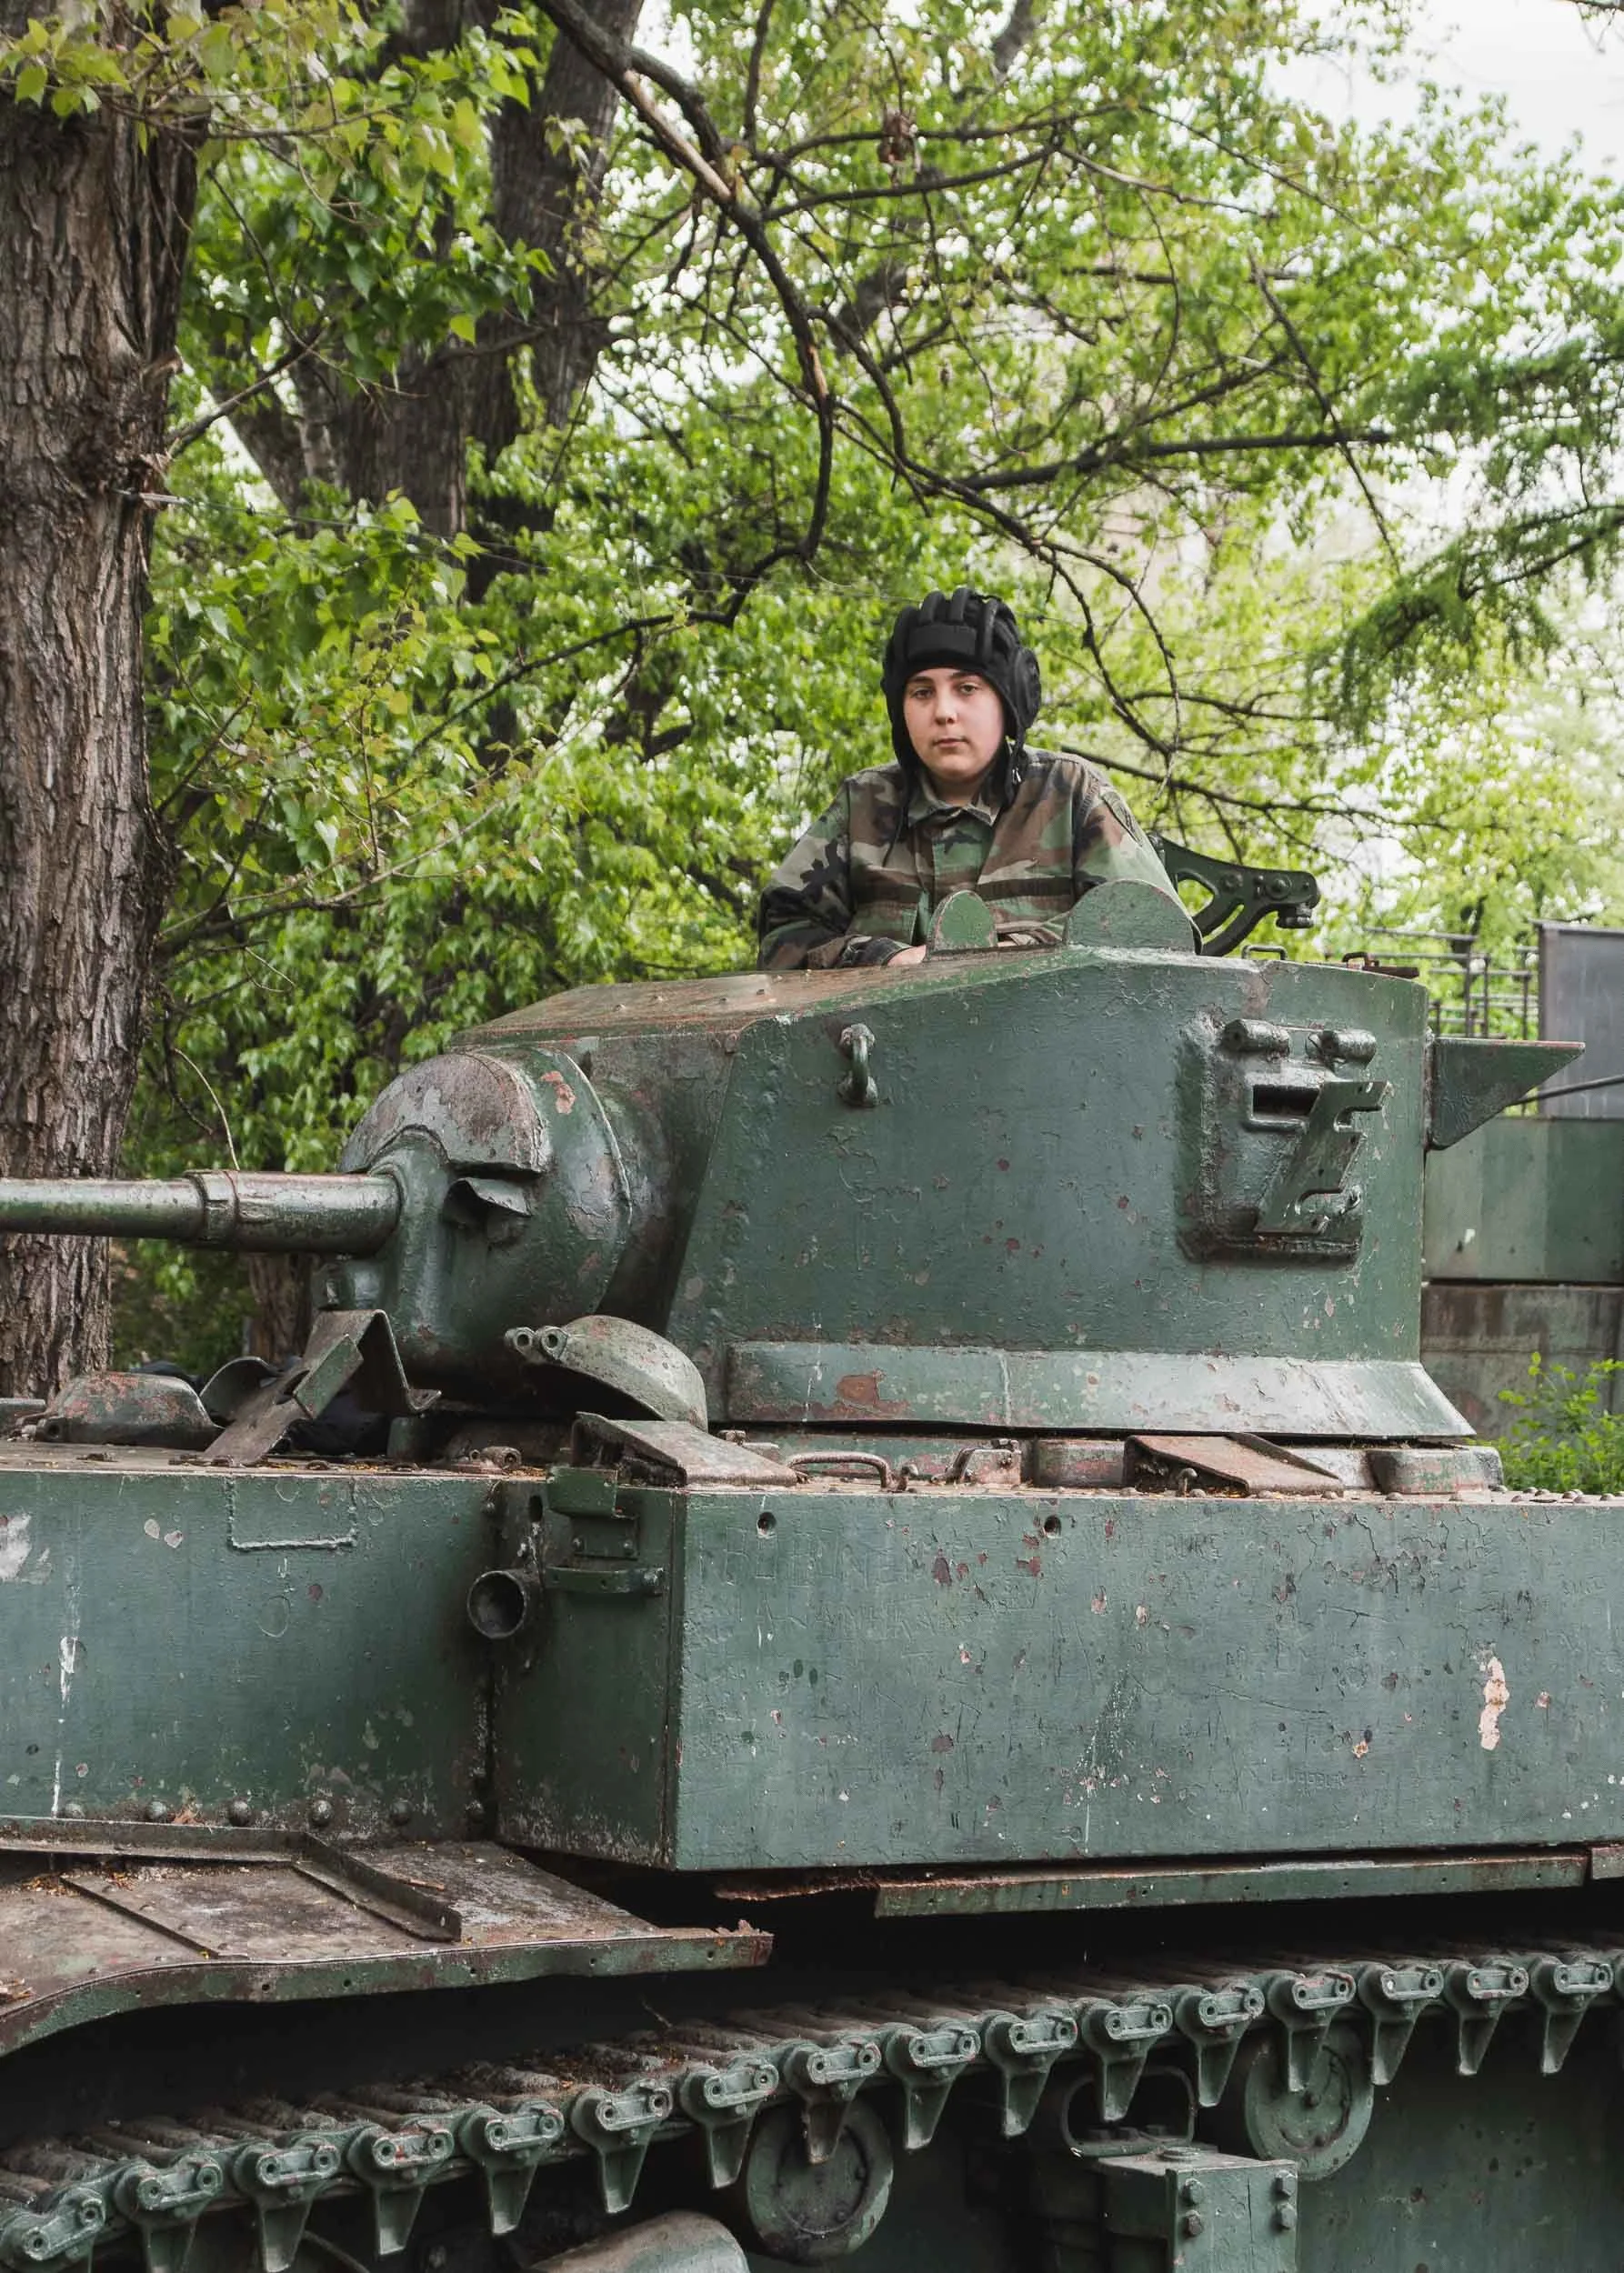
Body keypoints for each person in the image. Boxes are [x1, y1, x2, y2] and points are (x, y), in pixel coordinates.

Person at [757, 586, 1186, 969]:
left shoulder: (1071, 796)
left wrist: (998, 958)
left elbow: (1155, 930)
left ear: (1008, 700)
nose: (944, 712)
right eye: (922, 692)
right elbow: (783, 937)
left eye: (967, 689)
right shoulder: (864, 806)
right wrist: (881, 958)